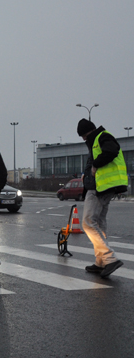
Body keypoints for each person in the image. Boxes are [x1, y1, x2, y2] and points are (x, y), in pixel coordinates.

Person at [77, 118, 127, 278]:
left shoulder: (102, 137)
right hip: (103, 186)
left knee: (88, 222)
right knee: (98, 222)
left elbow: (112, 151)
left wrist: (95, 165)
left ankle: (109, 258)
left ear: (89, 131)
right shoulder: (98, 139)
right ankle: (101, 261)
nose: (84, 139)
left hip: (101, 187)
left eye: (84, 135)